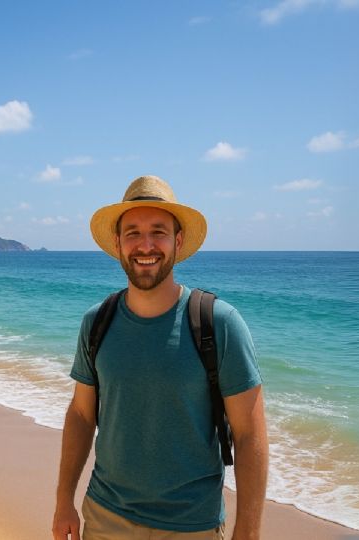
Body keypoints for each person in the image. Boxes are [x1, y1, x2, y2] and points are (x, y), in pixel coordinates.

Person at [52, 175, 268, 540]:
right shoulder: (97, 322)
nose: (146, 245)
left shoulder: (219, 322)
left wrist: (247, 533)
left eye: (159, 231)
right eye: (133, 232)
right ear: (118, 244)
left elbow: (250, 434)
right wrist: (63, 501)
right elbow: (81, 414)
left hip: (192, 526)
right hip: (105, 517)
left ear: (177, 241)